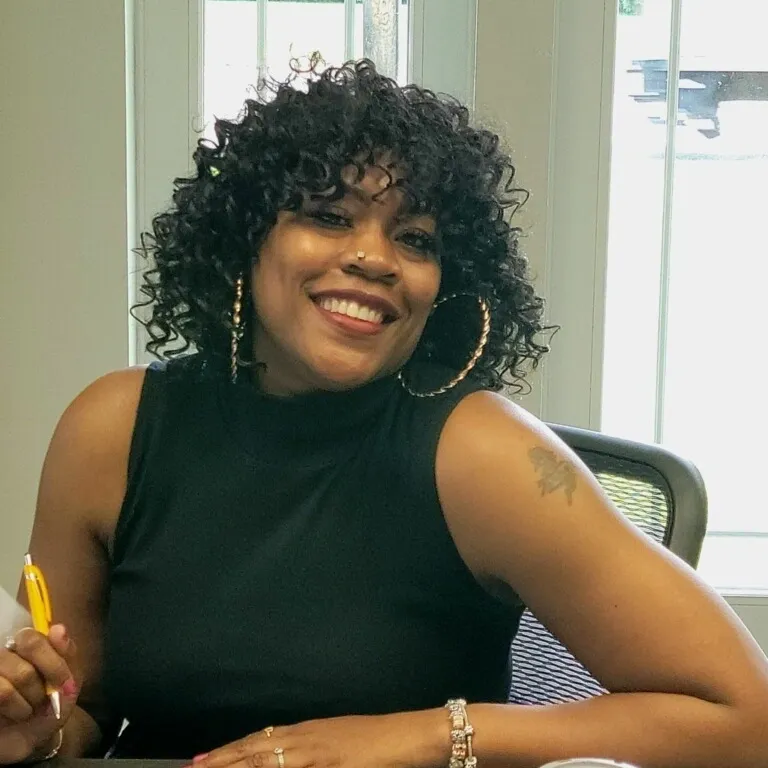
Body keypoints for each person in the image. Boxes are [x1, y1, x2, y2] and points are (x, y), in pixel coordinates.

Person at [2, 59, 768, 768]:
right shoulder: (113, 428)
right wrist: (38, 731)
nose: (375, 257)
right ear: (244, 239)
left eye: (415, 237)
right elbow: (85, 711)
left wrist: (430, 733)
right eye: (330, 217)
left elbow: (743, 715)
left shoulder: (483, 456)